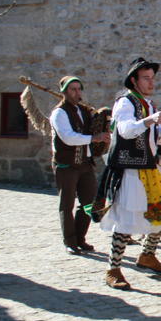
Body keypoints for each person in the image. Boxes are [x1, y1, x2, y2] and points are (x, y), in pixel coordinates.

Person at [93, 57, 161, 290]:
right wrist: (149, 121)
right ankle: (113, 269)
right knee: (126, 221)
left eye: (152, 78)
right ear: (133, 80)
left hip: (149, 169)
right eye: (146, 78)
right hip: (129, 170)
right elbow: (125, 131)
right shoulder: (125, 103)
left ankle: (147, 255)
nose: (151, 82)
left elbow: (154, 138)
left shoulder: (150, 105)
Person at [50, 76, 111, 255]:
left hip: (85, 163)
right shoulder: (59, 113)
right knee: (67, 204)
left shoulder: (84, 111)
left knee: (89, 203)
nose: (77, 93)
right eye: (72, 90)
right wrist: (93, 138)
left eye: (78, 89)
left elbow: (94, 128)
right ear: (64, 92)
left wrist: (103, 130)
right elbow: (68, 137)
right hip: (65, 165)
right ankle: (69, 241)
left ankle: (80, 238)